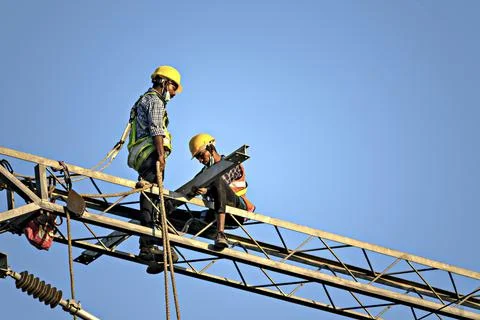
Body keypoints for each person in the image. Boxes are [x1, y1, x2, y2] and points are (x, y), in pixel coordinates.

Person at [127, 65, 182, 264]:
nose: (174, 94)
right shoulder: (155, 101)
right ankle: (147, 246)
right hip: (150, 154)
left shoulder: (143, 100)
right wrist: (161, 155)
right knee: (150, 198)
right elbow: (156, 129)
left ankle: (152, 243)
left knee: (151, 197)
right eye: (174, 88)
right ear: (165, 82)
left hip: (140, 156)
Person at [188, 133, 255, 249]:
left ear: (211, 148)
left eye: (201, 155)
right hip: (216, 214)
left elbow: (221, 181)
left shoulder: (231, 164)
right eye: (197, 157)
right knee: (180, 217)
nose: (200, 160)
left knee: (217, 180)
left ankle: (221, 234)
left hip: (237, 211)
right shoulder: (202, 175)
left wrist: (206, 191)